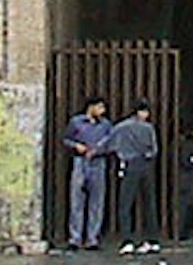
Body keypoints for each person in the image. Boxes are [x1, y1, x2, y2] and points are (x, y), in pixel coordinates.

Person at [107, 100, 161, 248]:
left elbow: (109, 145)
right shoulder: (148, 128)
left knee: (125, 203)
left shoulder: (121, 127)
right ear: (140, 112)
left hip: (129, 165)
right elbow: (154, 149)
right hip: (146, 165)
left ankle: (127, 240)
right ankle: (152, 239)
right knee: (149, 202)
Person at [65, 96, 114, 251]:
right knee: (76, 200)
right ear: (91, 107)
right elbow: (66, 139)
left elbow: (111, 141)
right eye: (99, 107)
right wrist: (76, 146)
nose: (102, 111)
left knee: (97, 201)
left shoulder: (106, 125)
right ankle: (75, 237)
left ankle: (92, 238)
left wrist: (99, 149)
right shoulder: (76, 122)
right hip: (80, 161)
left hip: (98, 161)